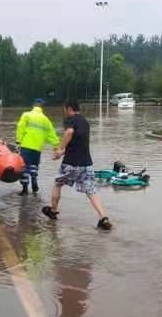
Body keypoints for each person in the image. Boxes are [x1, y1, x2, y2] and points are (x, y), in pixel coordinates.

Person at [42, 98, 112, 230]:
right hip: (86, 163)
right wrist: (63, 151)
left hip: (71, 163)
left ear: (69, 109)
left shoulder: (70, 119)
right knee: (91, 191)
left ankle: (53, 210)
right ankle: (103, 217)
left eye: (65, 109)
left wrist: (60, 149)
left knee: (58, 184)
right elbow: (76, 143)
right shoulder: (85, 122)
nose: (65, 112)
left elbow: (69, 133)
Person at [15, 99, 60, 196]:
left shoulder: (26, 115)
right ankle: (34, 180)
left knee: (24, 168)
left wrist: (18, 141)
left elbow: (20, 127)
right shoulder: (46, 120)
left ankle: (25, 189)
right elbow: (51, 134)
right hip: (38, 148)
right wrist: (56, 146)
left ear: (33, 106)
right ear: (43, 108)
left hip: (26, 145)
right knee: (34, 166)